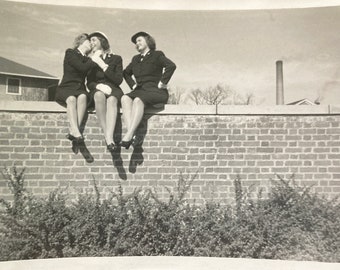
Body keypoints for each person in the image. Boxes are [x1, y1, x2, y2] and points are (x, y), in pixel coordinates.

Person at [121, 31, 176, 149]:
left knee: (137, 100)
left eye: (139, 40)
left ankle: (129, 134)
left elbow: (171, 66)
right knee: (125, 98)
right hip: (140, 90)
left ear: (148, 41)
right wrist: (133, 85)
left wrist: (163, 82)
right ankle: (133, 135)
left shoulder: (157, 54)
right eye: (136, 42)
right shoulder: (135, 59)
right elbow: (125, 73)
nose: (137, 43)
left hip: (155, 91)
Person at [55, 33, 96, 144]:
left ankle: (74, 132)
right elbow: (82, 68)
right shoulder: (70, 53)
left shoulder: (87, 59)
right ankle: (76, 132)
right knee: (72, 99)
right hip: (66, 87)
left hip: (80, 89)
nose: (92, 44)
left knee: (83, 96)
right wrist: (94, 59)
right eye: (89, 42)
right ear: (82, 41)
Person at [87, 31, 123, 152]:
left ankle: (109, 136)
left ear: (102, 42)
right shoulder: (90, 60)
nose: (91, 43)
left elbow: (118, 80)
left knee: (112, 99)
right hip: (97, 89)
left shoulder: (116, 58)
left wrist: (103, 65)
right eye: (90, 40)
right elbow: (89, 82)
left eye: (94, 40)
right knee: (98, 95)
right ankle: (108, 137)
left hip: (114, 89)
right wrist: (98, 86)